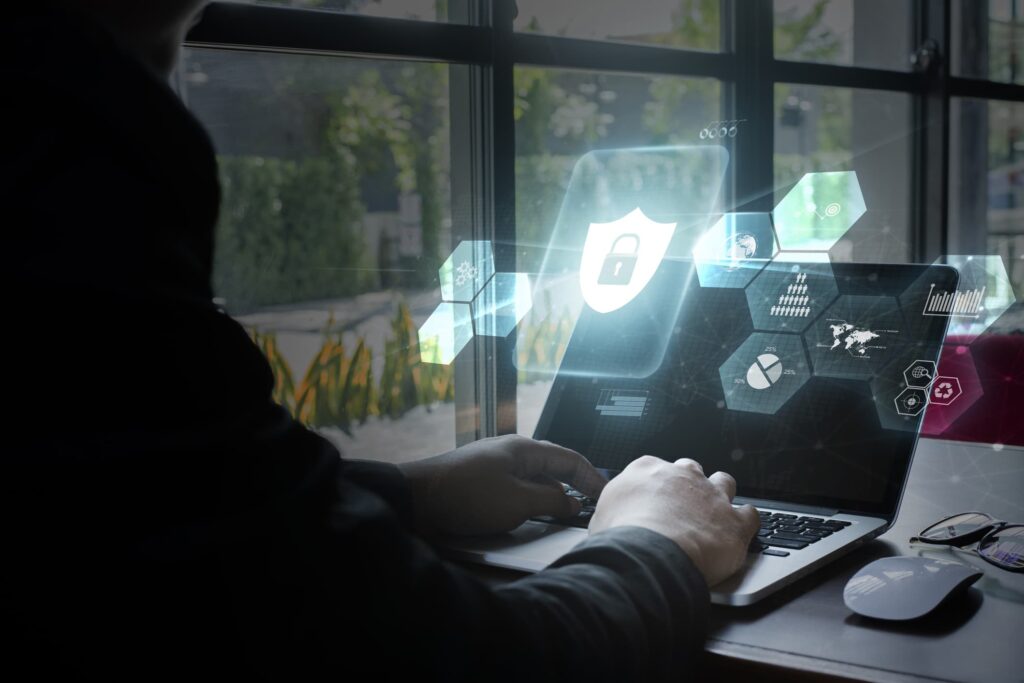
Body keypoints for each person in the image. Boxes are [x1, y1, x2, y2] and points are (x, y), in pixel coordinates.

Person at [3, 1, 760, 680]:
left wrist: (411, 490)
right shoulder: (55, 163)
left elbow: (160, 504)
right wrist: (663, 543)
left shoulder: (66, 133)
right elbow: (471, 660)